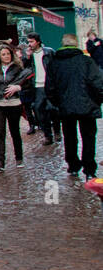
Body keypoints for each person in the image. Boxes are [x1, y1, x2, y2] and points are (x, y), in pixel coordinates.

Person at [45, 34, 102, 180]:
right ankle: (89, 169)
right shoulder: (86, 61)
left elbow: (50, 88)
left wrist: (58, 103)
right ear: (76, 44)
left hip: (65, 106)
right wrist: (97, 101)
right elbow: (98, 83)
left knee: (69, 137)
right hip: (87, 105)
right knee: (88, 137)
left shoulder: (54, 63)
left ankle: (73, 165)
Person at [0, 42, 33, 171]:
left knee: (14, 131)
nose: (6, 56)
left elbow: (28, 83)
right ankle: (1, 162)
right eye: (3, 54)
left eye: (8, 54)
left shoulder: (18, 67)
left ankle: (19, 158)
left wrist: (18, 87)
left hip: (13, 103)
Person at [25, 33, 60, 145]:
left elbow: (56, 66)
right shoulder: (29, 55)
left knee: (53, 109)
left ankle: (57, 132)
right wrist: (28, 57)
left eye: (31, 41)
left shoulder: (48, 51)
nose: (29, 44)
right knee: (40, 111)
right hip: (37, 86)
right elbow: (25, 70)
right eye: (28, 42)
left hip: (49, 85)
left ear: (38, 41)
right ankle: (47, 135)